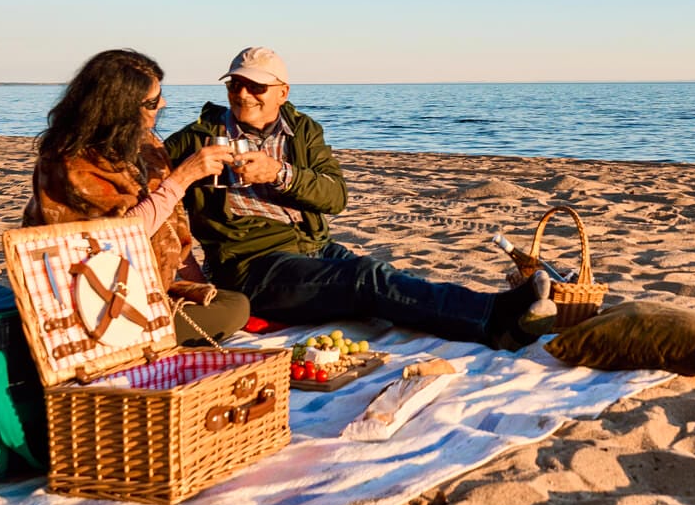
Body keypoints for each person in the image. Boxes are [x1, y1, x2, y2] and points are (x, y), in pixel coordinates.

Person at [165, 46, 554, 349]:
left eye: (256, 86)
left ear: (282, 93)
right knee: (367, 280)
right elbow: (151, 197)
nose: (243, 94)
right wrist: (188, 176)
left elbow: (335, 197)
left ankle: (493, 308)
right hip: (253, 265)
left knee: (384, 277)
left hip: (312, 246)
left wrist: (280, 174)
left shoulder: (302, 131)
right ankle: (495, 320)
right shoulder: (196, 139)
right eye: (235, 84)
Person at [24, 49, 251, 344]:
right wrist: (183, 177)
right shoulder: (70, 162)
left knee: (234, 302)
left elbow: (172, 234)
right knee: (234, 311)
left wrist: (202, 287)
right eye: (153, 101)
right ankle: (133, 339)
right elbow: (117, 239)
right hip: (96, 298)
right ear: (120, 107)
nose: (164, 104)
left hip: (145, 282)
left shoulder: (144, 144)